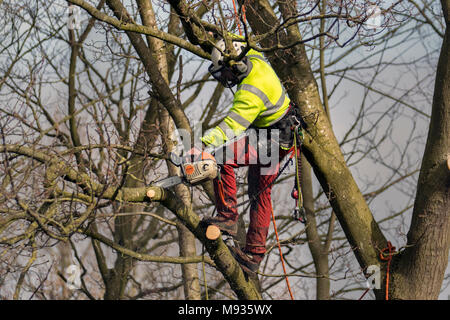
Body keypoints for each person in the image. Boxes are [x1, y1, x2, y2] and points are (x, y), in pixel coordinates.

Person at [195, 37, 302, 275]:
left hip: (273, 140)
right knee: (259, 192)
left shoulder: (251, 89)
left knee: (221, 158)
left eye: (226, 73)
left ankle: (227, 216)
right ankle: (254, 254)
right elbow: (247, 45)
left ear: (236, 64)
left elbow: (232, 126)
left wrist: (201, 146)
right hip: (281, 135)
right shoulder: (255, 58)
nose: (227, 79)